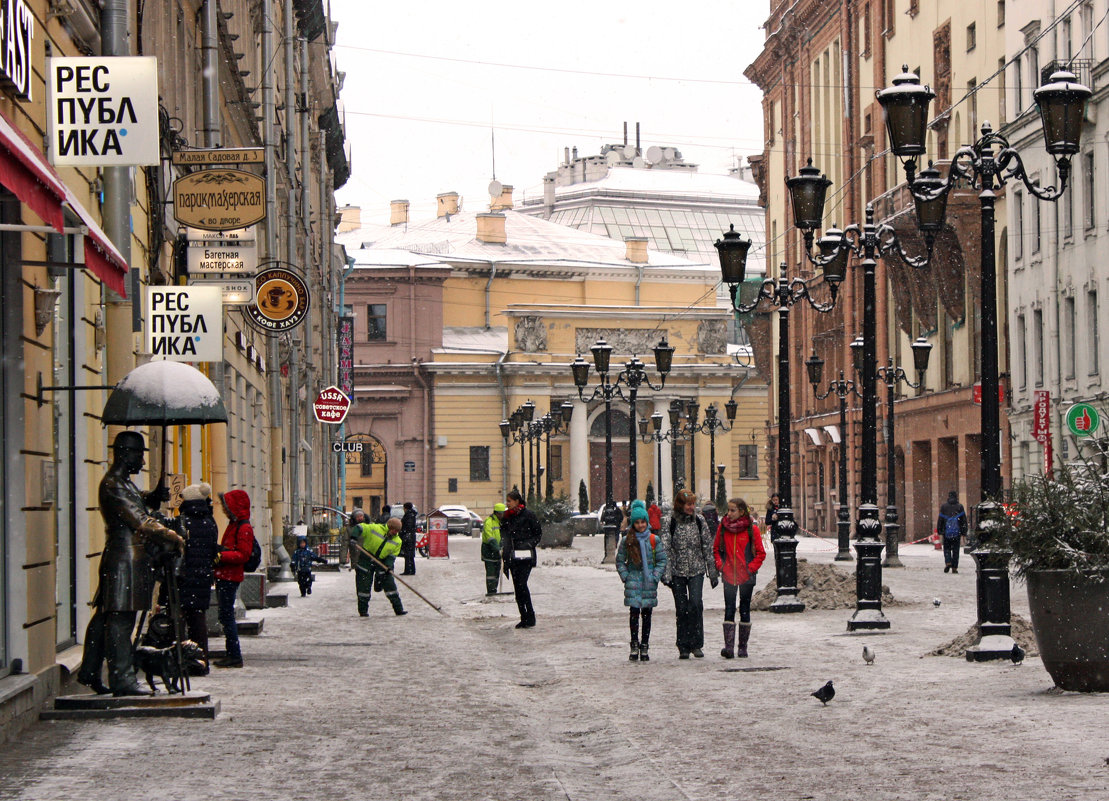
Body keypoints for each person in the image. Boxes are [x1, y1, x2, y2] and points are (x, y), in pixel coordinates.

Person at [77, 431, 184, 696]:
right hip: (123, 561)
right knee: (120, 621)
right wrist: (172, 535)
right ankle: (122, 678)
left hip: (129, 560)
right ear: (125, 453)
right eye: (139, 454)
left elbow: (137, 503)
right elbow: (140, 520)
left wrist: (152, 495)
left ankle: (90, 671)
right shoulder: (113, 484)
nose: (143, 462)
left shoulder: (124, 483)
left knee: (106, 619)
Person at [660, 488, 717, 659]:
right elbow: (666, 549)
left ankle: (696, 643)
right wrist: (667, 573)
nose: (691, 507)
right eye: (688, 504)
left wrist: (712, 572)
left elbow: (707, 547)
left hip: (696, 570)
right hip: (678, 571)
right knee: (682, 608)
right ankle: (683, 645)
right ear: (680, 505)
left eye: (693, 504)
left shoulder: (699, 521)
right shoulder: (670, 522)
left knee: (695, 604)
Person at [713, 498, 766, 659]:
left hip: (746, 577)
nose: (729, 513)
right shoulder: (723, 527)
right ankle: (729, 647)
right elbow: (716, 549)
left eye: (732, 510)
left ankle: (742, 647)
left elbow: (760, 553)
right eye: (728, 510)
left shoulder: (752, 529)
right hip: (729, 575)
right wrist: (721, 565)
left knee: (744, 609)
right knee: (729, 609)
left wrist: (750, 569)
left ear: (741, 512)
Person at [615, 500, 668, 663]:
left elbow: (661, 560)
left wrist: (655, 576)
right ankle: (634, 644)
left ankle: (644, 644)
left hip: (648, 582)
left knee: (647, 615)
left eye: (643, 522)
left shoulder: (653, 540)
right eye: (637, 522)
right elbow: (620, 561)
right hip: (633, 581)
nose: (640, 525)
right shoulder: (627, 540)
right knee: (634, 615)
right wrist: (626, 576)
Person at [176, 482, 220, 663]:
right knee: (198, 618)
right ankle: (201, 658)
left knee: (178, 618)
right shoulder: (209, 521)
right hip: (202, 576)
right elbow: (211, 549)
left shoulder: (183, 522)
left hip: (183, 576)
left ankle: (181, 659)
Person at [213, 489, 255, 668]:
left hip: (230, 576)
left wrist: (222, 556)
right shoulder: (235, 524)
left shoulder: (243, 527)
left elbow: (243, 555)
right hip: (226, 575)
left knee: (227, 616)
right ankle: (231, 653)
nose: (223, 509)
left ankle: (234, 655)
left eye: (226, 506)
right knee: (225, 616)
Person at [501, 489, 542, 628]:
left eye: (509, 501)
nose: (507, 504)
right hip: (513, 557)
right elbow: (505, 537)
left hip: (525, 556)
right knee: (517, 588)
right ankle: (523, 616)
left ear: (517, 501)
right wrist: (505, 554)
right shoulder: (507, 517)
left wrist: (527, 544)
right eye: (507, 501)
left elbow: (537, 534)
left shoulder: (528, 515)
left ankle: (530, 616)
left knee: (522, 585)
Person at [350, 517, 407, 616]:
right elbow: (359, 527)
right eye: (394, 530)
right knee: (364, 587)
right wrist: (354, 537)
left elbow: (392, 556)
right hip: (366, 560)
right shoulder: (374, 529)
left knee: (390, 586)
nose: (395, 532)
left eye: (398, 531)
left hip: (383, 562)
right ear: (389, 527)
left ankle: (398, 609)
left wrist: (388, 566)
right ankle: (363, 611)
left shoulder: (398, 541)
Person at [936, 491, 968, 574]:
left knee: (947, 549)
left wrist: (940, 530)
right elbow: (963, 520)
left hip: (947, 533)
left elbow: (940, 520)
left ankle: (948, 562)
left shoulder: (944, 507)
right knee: (955, 550)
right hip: (956, 533)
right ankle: (954, 567)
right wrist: (964, 532)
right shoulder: (960, 507)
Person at [481, 503, 506, 595]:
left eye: (502, 513)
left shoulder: (501, 522)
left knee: (497, 571)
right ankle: (491, 590)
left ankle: (494, 588)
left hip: (497, 550)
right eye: (500, 513)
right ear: (496, 513)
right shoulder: (489, 522)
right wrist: (496, 547)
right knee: (491, 572)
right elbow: (489, 536)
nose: (501, 515)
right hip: (489, 550)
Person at [400, 502, 418, 575]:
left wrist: (404, 533)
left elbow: (408, 526)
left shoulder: (408, 515)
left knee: (408, 554)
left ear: (406, 508)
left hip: (408, 537)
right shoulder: (411, 515)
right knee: (410, 554)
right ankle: (411, 569)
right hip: (410, 536)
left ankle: (408, 570)